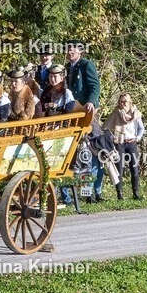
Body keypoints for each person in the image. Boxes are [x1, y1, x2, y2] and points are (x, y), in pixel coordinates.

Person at [66, 40, 102, 199]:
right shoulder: (67, 68)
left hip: (86, 112)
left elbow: (95, 86)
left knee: (93, 151)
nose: (70, 53)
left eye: (73, 50)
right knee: (76, 153)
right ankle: (77, 194)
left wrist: (91, 102)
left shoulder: (87, 65)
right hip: (72, 113)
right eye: (68, 50)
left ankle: (92, 193)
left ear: (80, 51)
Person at [105, 93, 145, 200]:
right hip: (120, 144)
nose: (122, 104)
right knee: (119, 169)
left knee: (135, 168)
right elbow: (105, 127)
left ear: (129, 102)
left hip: (131, 142)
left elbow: (141, 128)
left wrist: (137, 138)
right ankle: (120, 194)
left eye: (124, 102)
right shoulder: (116, 113)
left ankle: (136, 193)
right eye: (120, 102)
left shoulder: (135, 114)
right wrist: (113, 137)